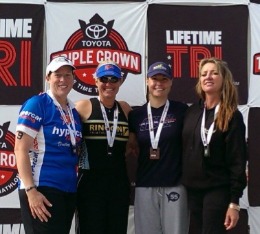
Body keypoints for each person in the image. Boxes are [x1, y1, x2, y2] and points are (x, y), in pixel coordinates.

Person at [14, 56, 82, 234]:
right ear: (48, 78)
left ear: (73, 79)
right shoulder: (37, 104)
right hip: (41, 188)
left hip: (67, 189)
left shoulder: (73, 111)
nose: (63, 80)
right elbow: (20, 149)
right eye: (58, 75)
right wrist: (31, 190)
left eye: (68, 75)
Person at [182, 57, 247, 234]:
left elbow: (238, 161)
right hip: (191, 191)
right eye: (204, 74)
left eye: (214, 73)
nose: (208, 77)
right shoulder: (192, 112)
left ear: (224, 79)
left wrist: (234, 202)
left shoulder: (232, 116)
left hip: (217, 190)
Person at [127, 62, 189, 234]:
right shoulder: (136, 115)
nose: (159, 83)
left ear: (171, 82)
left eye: (164, 79)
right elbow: (130, 145)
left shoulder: (182, 111)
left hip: (175, 184)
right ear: (147, 81)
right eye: (155, 79)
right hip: (145, 184)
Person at [75, 60, 131, 234]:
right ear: (95, 81)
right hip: (90, 185)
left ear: (120, 82)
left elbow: (133, 144)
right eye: (104, 79)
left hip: (118, 184)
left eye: (114, 79)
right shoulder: (83, 106)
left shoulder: (125, 108)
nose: (109, 84)